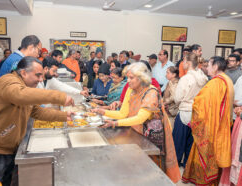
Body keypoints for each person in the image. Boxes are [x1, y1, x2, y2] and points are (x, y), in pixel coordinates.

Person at [0, 56, 74, 186]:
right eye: (38, 75)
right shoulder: (8, 82)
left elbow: (37, 111)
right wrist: (60, 97)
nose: (41, 79)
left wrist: (64, 116)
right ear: (23, 73)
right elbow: (19, 95)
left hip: (7, 150)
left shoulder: (24, 87)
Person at [92, 63, 181, 183]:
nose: (127, 81)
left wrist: (114, 124)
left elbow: (140, 118)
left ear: (141, 77)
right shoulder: (130, 89)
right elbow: (123, 114)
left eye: (131, 77)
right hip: (136, 133)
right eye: (127, 77)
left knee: (151, 173)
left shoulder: (151, 92)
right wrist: (103, 112)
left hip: (152, 138)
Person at [182, 56, 234, 185]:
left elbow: (199, 104)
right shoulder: (228, 80)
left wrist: (194, 108)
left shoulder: (215, 83)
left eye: (209, 66)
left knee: (206, 155)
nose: (207, 68)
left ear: (216, 67)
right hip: (222, 125)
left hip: (211, 128)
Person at [173, 52, 208, 168]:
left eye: (183, 61)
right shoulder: (203, 78)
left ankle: (175, 167)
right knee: (190, 143)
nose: (182, 64)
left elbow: (177, 98)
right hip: (197, 112)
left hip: (184, 112)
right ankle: (188, 167)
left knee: (178, 142)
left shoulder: (185, 78)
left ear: (187, 63)